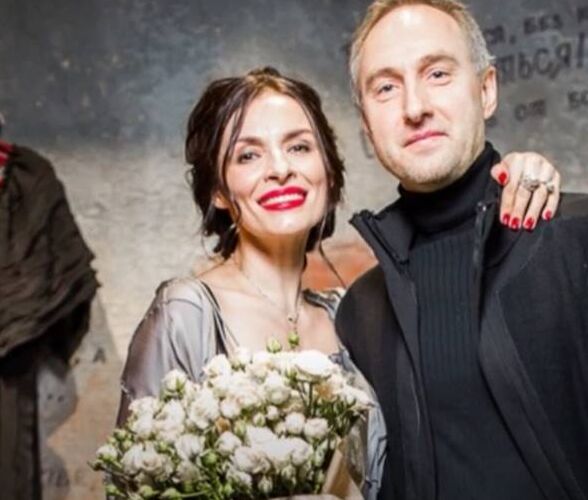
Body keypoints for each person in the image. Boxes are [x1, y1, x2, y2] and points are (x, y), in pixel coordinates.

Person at [117, 67, 561, 498]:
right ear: (218, 190)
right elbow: (132, 484)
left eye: (299, 147)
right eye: (247, 155)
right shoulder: (187, 314)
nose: (280, 169)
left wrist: (508, 180)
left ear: (328, 172)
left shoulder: (352, 316)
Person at [335, 1, 588, 500]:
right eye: (386, 87)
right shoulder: (360, 311)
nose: (414, 106)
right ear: (366, 124)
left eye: (437, 73)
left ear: (486, 89)